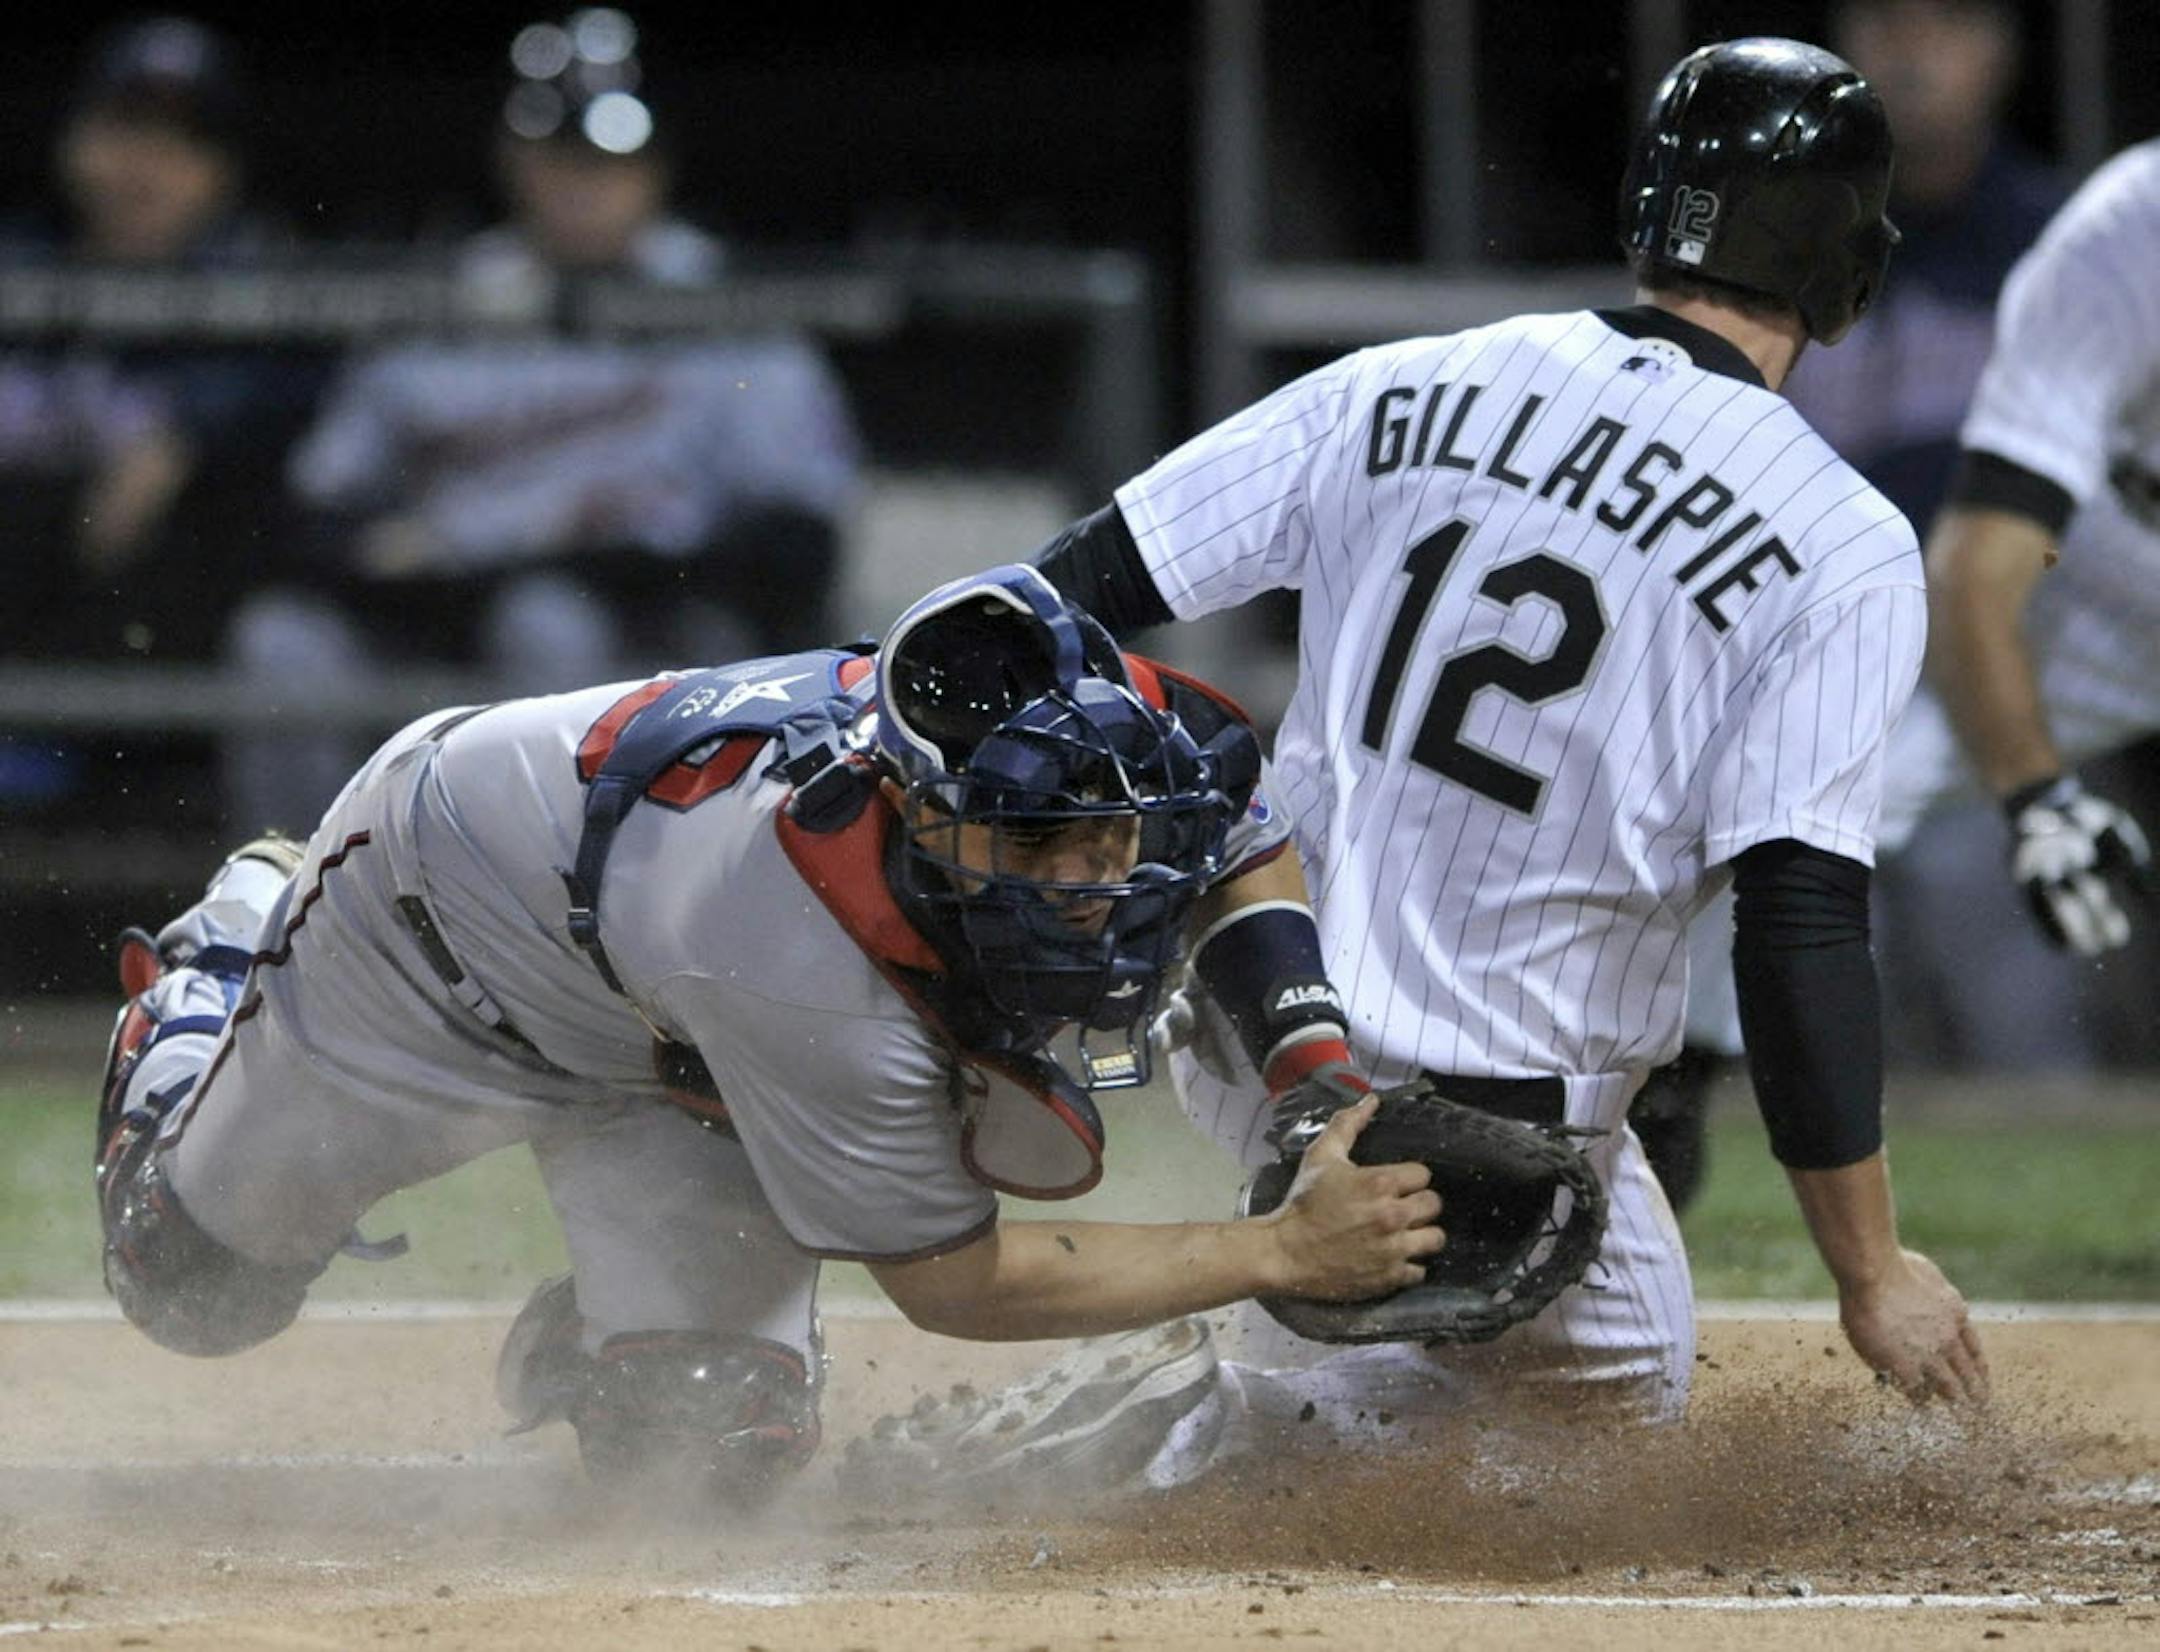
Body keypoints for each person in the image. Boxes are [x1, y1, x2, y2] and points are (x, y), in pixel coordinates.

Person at [846, 38, 1989, 1502]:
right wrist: (1872, 1268)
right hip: (1501, 1127)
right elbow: (1799, 928)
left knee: (1479, 1413)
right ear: (1848, 260)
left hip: (1261, 1036)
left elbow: (1066, 591)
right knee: (1608, 1440)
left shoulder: (1410, 380)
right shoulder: (1838, 541)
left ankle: (1250, 1382)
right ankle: (1190, 1432)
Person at [93, 562, 1443, 1506]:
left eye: (1111, 834)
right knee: (190, 1288)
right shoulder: (791, 944)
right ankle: (223, 959)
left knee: (707, 1450)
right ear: (913, 809)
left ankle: (607, 1333)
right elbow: (957, 1286)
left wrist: (1314, 1084)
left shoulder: (1076, 728)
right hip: (426, 949)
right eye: (1045, 844)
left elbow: (1240, 847)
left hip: (670, 1038)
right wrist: (1274, 1250)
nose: (1098, 872)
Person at [224, 7, 860, 832]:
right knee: (282, 643)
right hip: (452, 609)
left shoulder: (723, 306)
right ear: (514, 157)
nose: (585, 182)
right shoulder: (447, 299)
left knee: (548, 621)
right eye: (562, 153)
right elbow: (319, 508)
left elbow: (799, 538)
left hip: (652, 624)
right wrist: (397, 562)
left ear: (656, 167)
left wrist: (615, 563)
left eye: (610, 158)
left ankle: (560, 929)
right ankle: (303, 914)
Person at [1658, 0, 2074, 1180]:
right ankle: (1674, 1157)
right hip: (1786, 653)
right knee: (1751, 930)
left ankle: (2053, 1231)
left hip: (1990, 659)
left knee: (2004, 945)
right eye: (1885, 19)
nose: (1909, 48)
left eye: (1943, 23)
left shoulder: (2055, 243)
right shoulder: (1765, 227)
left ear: (2000, 51)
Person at [0, 17, 321, 792]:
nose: (145, 164)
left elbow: (294, 402)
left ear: (222, 170)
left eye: (183, 141)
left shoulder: (265, 294)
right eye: (125, 128)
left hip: (168, 672)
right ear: (74, 141)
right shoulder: (22, 267)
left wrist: (182, 435)